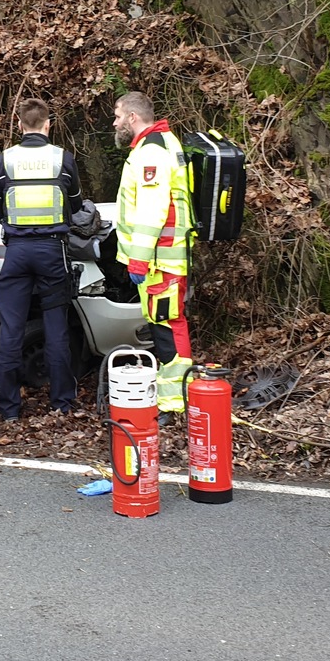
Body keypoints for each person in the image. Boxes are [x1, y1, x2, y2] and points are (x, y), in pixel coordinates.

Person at [0, 97, 84, 421]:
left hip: (16, 251)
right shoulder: (62, 159)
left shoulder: (5, 161)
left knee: (11, 329)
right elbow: (77, 204)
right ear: (48, 125)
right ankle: (61, 405)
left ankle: (10, 409)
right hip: (52, 250)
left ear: (19, 125)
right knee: (56, 329)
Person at [112, 91, 195, 419]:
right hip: (165, 257)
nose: (115, 122)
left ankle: (174, 402)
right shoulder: (163, 143)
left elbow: (151, 210)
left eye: (118, 115)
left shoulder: (151, 152)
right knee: (166, 323)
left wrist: (139, 258)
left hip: (160, 259)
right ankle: (175, 396)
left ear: (133, 117)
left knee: (167, 326)